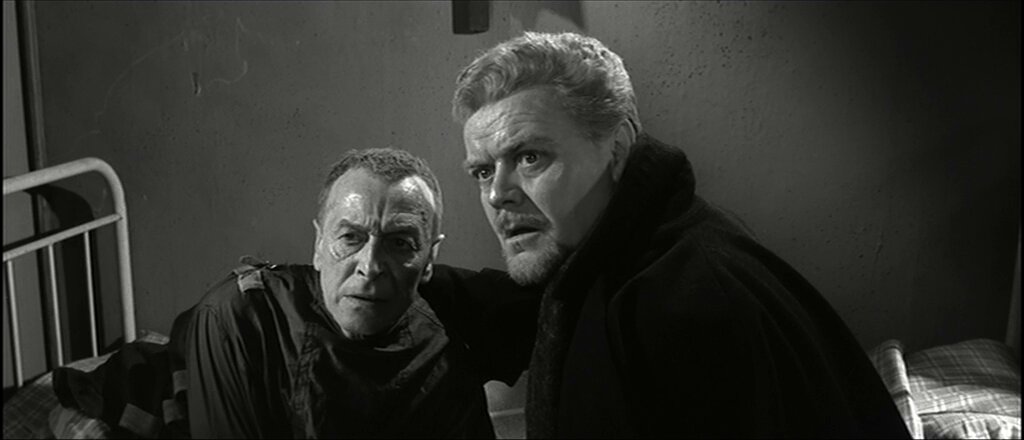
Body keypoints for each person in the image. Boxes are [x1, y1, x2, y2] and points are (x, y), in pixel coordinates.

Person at [451, 31, 911, 438]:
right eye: (483, 171)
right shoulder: (621, 254)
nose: (497, 195)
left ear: (619, 147)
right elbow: (536, 306)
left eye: (530, 157)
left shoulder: (685, 307)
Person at [170, 148, 538, 438]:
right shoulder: (243, 316)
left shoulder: (453, 319)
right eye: (350, 238)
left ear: (430, 257)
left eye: (400, 243)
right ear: (319, 244)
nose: (370, 265)